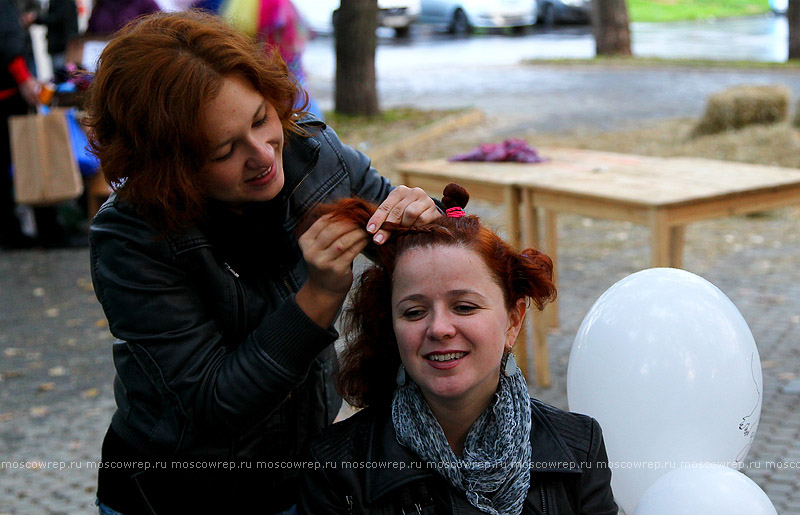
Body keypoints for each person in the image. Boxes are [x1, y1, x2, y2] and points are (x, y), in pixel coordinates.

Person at [84, 10, 439, 514]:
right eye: (224, 149)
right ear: (170, 165)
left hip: (303, 482)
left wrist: (428, 220)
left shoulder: (317, 156)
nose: (263, 155)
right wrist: (318, 297)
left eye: (259, 119)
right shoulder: (132, 236)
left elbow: (424, 253)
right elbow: (216, 404)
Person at [298, 184, 618, 514]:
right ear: (391, 326)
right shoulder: (335, 469)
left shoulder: (580, 448)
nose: (439, 328)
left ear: (513, 320)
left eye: (464, 307)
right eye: (414, 312)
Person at [23, 0, 79, 74]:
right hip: (62, 45)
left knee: (62, 75)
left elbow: (56, 17)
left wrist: (35, 18)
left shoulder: (63, 3)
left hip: (62, 46)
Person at [86, 0, 160, 36]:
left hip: (134, 55)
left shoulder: (146, 3)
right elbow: (90, 33)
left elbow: (159, 29)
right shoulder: (101, 4)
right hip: (101, 53)